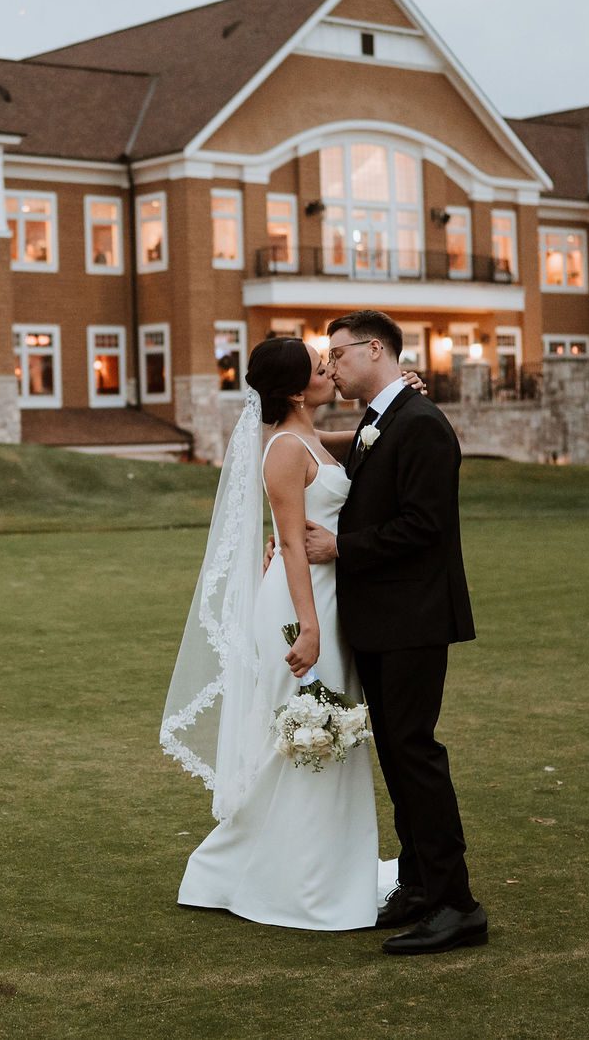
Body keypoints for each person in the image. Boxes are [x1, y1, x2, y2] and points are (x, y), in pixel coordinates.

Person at [160, 336, 393, 930]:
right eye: (322, 369)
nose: (331, 374)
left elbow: (347, 444)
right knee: (302, 730)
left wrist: (391, 404)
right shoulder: (286, 449)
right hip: (301, 605)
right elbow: (291, 543)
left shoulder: (305, 437)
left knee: (323, 730)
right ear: (295, 390)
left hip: (326, 599)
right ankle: (258, 871)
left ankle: (328, 863)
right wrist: (309, 628)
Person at [304, 309, 486, 956]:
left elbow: (424, 527)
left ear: (374, 348)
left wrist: (340, 548)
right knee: (398, 759)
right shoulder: (381, 419)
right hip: (381, 621)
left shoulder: (423, 426)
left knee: (416, 755)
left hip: (414, 619)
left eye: (338, 354)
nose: (330, 366)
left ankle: (457, 904)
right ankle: (416, 887)